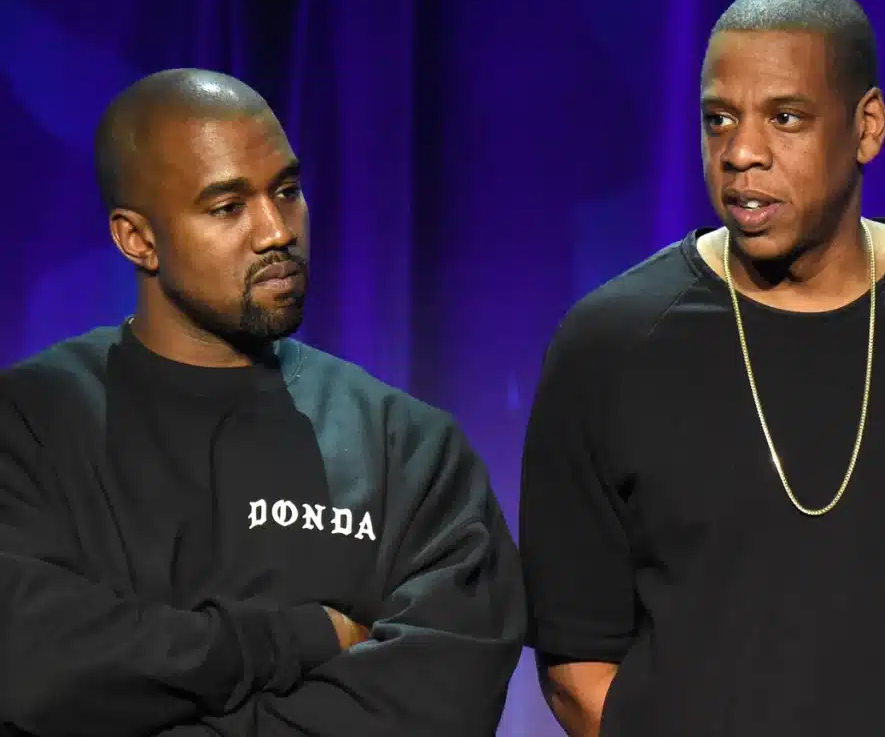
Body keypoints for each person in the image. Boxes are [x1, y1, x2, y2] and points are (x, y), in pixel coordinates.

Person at [519, 0, 885, 736]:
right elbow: (576, 661)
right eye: (718, 120)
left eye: (785, 118)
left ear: (867, 126)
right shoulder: (609, 347)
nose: (742, 153)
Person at [0, 68, 526, 736]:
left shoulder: (410, 450)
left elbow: (438, 700)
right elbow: (31, 664)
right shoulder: (28, 427)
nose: (276, 231)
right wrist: (301, 638)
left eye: (287, 191)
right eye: (227, 207)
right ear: (138, 239)